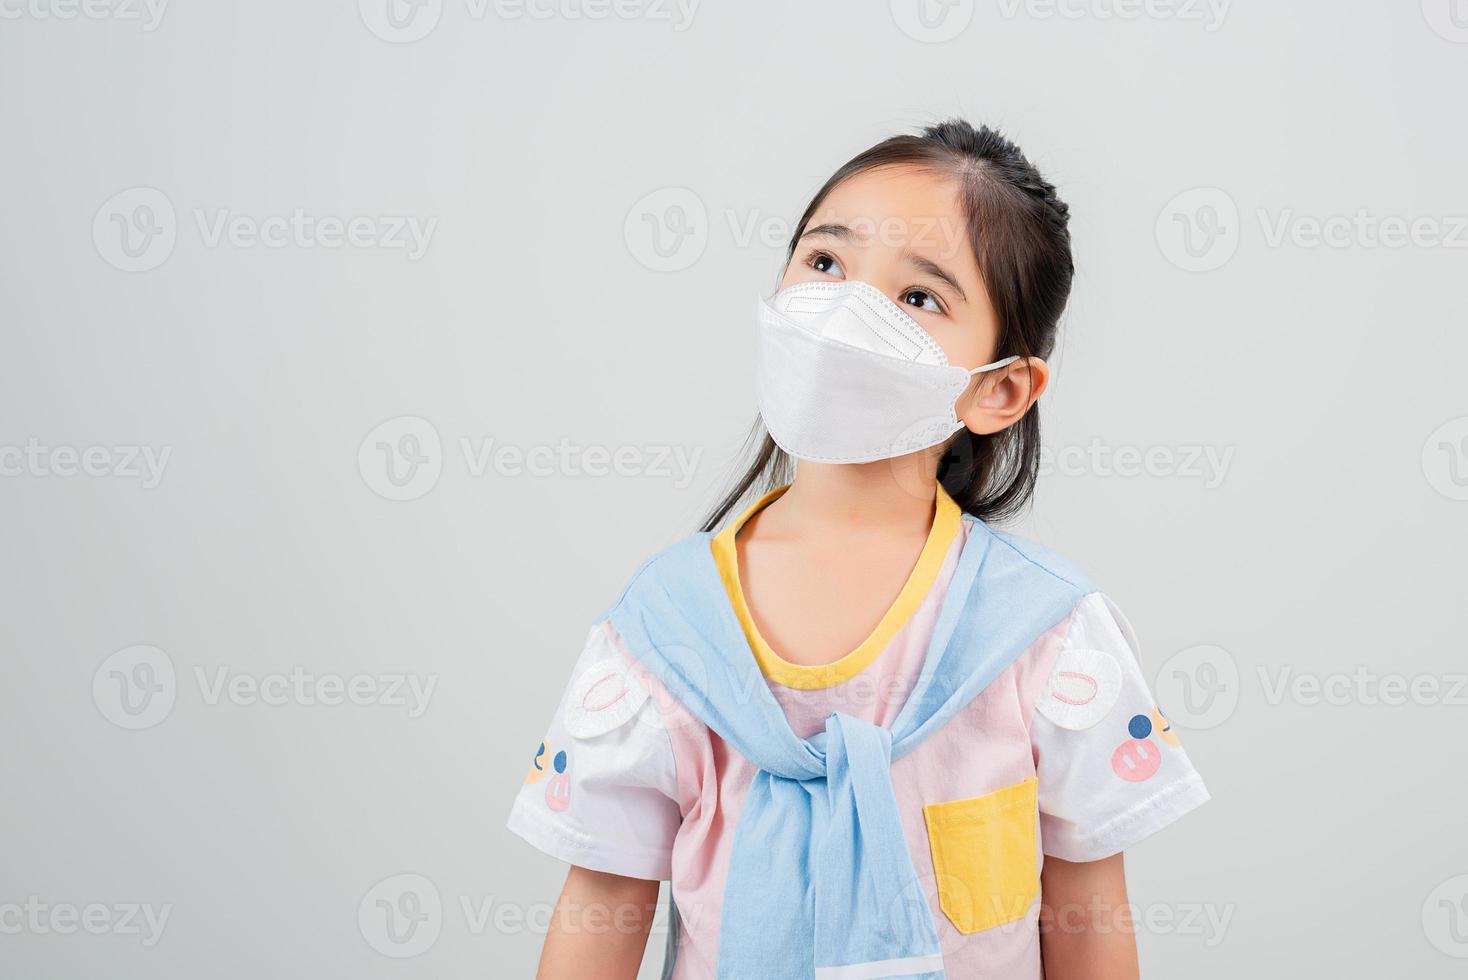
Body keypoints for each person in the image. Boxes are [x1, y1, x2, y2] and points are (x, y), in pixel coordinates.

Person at [508, 118, 1209, 980]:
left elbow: (1090, 912)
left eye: (918, 298)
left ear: (999, 389)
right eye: (826, 263)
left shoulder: (1045, 634)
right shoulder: (661, 632)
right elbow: (601, 907)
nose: (842, 313)